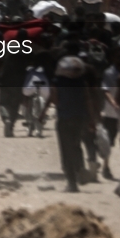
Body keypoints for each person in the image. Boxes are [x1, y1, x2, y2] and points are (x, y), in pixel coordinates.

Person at [44, 56, 98, 193]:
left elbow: (55, 101)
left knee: (65, 150)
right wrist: (92, 120)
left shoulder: (56, 82)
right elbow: (88, 101)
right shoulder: (82, 82)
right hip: (80, 119)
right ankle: (79, 168)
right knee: (76, 145)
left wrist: (43, 112)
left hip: (64, 119)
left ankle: (72, 183)